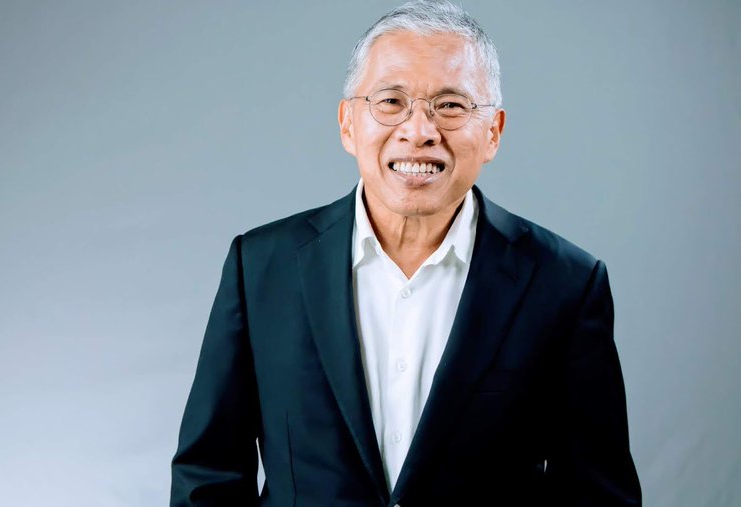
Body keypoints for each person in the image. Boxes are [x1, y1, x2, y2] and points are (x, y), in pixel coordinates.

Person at [170, 1, 642, 505]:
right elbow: (208, 474)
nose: (419, 131)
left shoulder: (565, 284)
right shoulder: (262, 267)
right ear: (348, 124)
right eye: (391, 101)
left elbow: (597, 495)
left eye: (451, 105)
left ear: (493, 133)